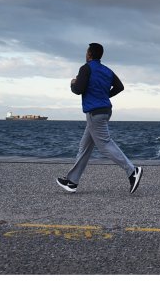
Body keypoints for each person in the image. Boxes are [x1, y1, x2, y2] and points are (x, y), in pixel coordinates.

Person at [56, 42, 143, 194]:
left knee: (104, 144)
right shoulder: (107, 70)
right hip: (105, 111)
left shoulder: (86, 68)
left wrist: (72, 83)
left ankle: (132, 171)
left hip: (94, 113)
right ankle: (72, 181)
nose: (86, 54)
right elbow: (120, 87)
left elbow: (78, 89)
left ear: (89, 54)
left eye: (86, 52)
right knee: (84, 147)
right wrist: (104, 95)